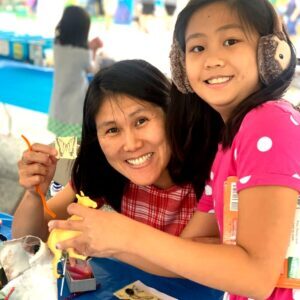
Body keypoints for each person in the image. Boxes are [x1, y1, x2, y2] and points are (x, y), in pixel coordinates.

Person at [49, 1, 300, 299]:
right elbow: (184, 253)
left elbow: (256, 277)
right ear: (181, 67)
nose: (212, 59)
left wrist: (126, 234)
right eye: (198, 48)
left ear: (272, 53)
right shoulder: (227, 143)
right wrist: (105, 241)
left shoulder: (269, 121)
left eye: (230, 41)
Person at [13, 59, 198, 243]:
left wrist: (120, 238)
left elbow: (195, 261)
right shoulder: (103, 171)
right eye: (112, 130)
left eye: (141, 121)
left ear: (171, 112)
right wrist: (34, 194)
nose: (131, 144)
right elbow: (29, 240)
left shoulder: (211, 176)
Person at [47, 5, 103, 139]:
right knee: (75, 148)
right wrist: (94, 50)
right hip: (75, 108)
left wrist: (89, 48)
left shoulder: (57, 46)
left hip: (59, 106)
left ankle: (63, 160)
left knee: (62, 145)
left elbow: (73, 51)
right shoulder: (82, 54)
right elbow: (94, 69)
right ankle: (72, 161)